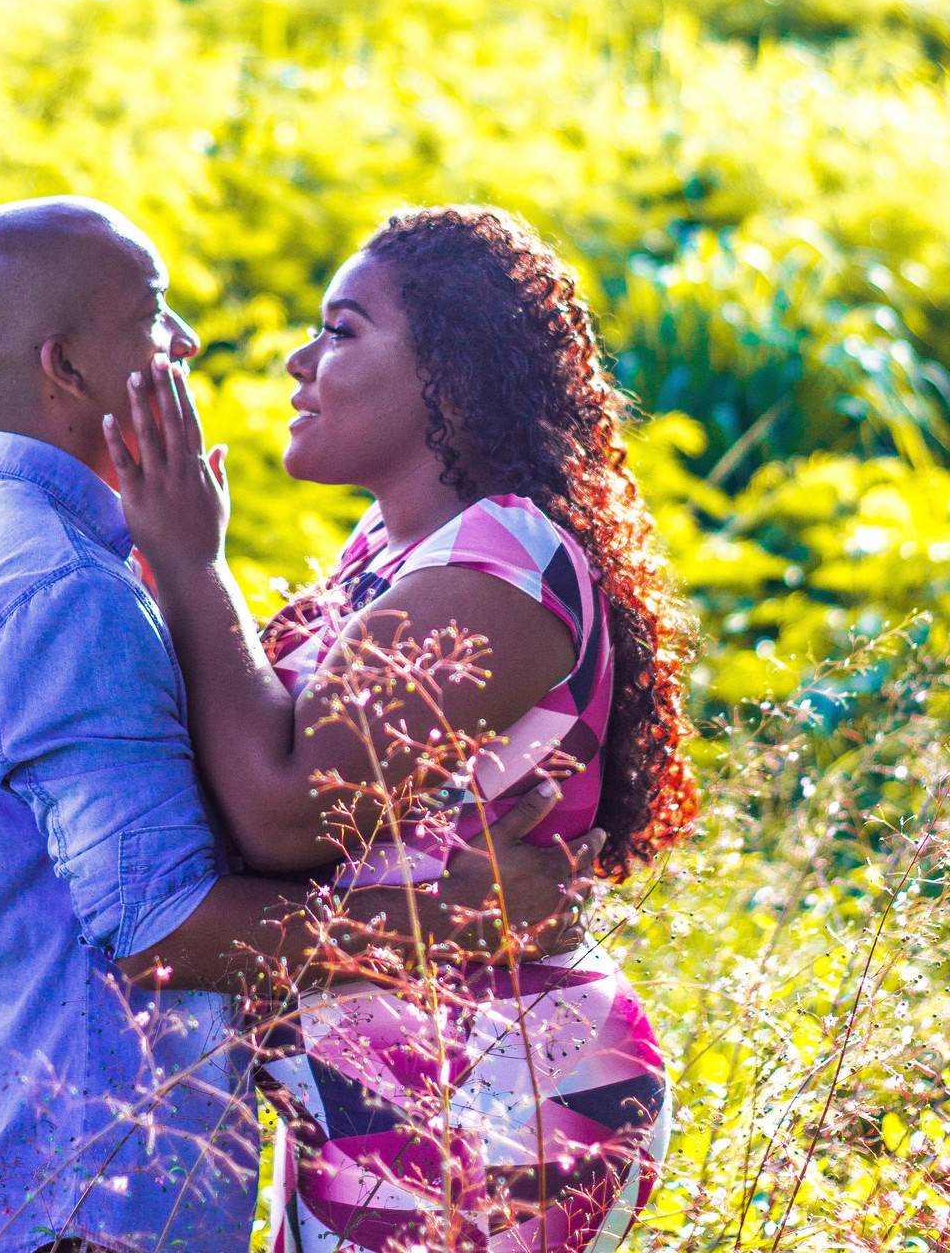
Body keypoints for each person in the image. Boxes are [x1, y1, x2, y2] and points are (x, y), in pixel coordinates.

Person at [0, 196, 602, 1253]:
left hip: (430, 1108)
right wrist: (445, 922)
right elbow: (163, 924)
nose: (187, 344)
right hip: (78, 1198)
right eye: (153, 315)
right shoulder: (66, 587)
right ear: (65, 367)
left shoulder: (17, 550)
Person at [105, 204, 697, 1253]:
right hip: (391, 1084)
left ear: (450, 377)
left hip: (496, 1085)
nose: (299, 362)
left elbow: (286, 812)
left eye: (340, 330)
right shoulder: (391, 545)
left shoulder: (500, 561)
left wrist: (193, 562)